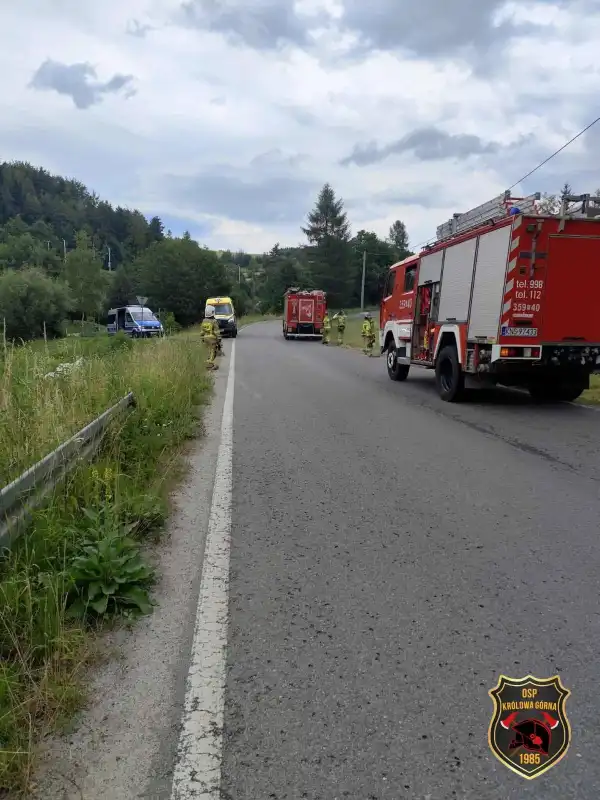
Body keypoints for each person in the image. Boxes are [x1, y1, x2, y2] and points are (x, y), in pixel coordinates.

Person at [200, 305, 221, 369]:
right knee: (213, 351)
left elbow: (202, 331)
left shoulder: (204, 321)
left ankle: (209, 363)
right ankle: (210, 364)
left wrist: (202, 338)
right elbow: (217, 332)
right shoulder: (214, 321)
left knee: (208, 351)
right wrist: (219, 339)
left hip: (205, 338)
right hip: (212, 338)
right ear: (212, 312)